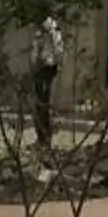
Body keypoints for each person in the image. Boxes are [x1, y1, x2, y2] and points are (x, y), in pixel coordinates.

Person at [31, 13, 65, 143]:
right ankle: (41, 136)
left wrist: (55, 64)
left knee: (44, 105)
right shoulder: (39, 33)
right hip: (40, 70)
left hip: (47, 69)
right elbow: (35, 53)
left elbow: (58, 53)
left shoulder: (53, 32)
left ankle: (45, 137)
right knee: (39, 105)